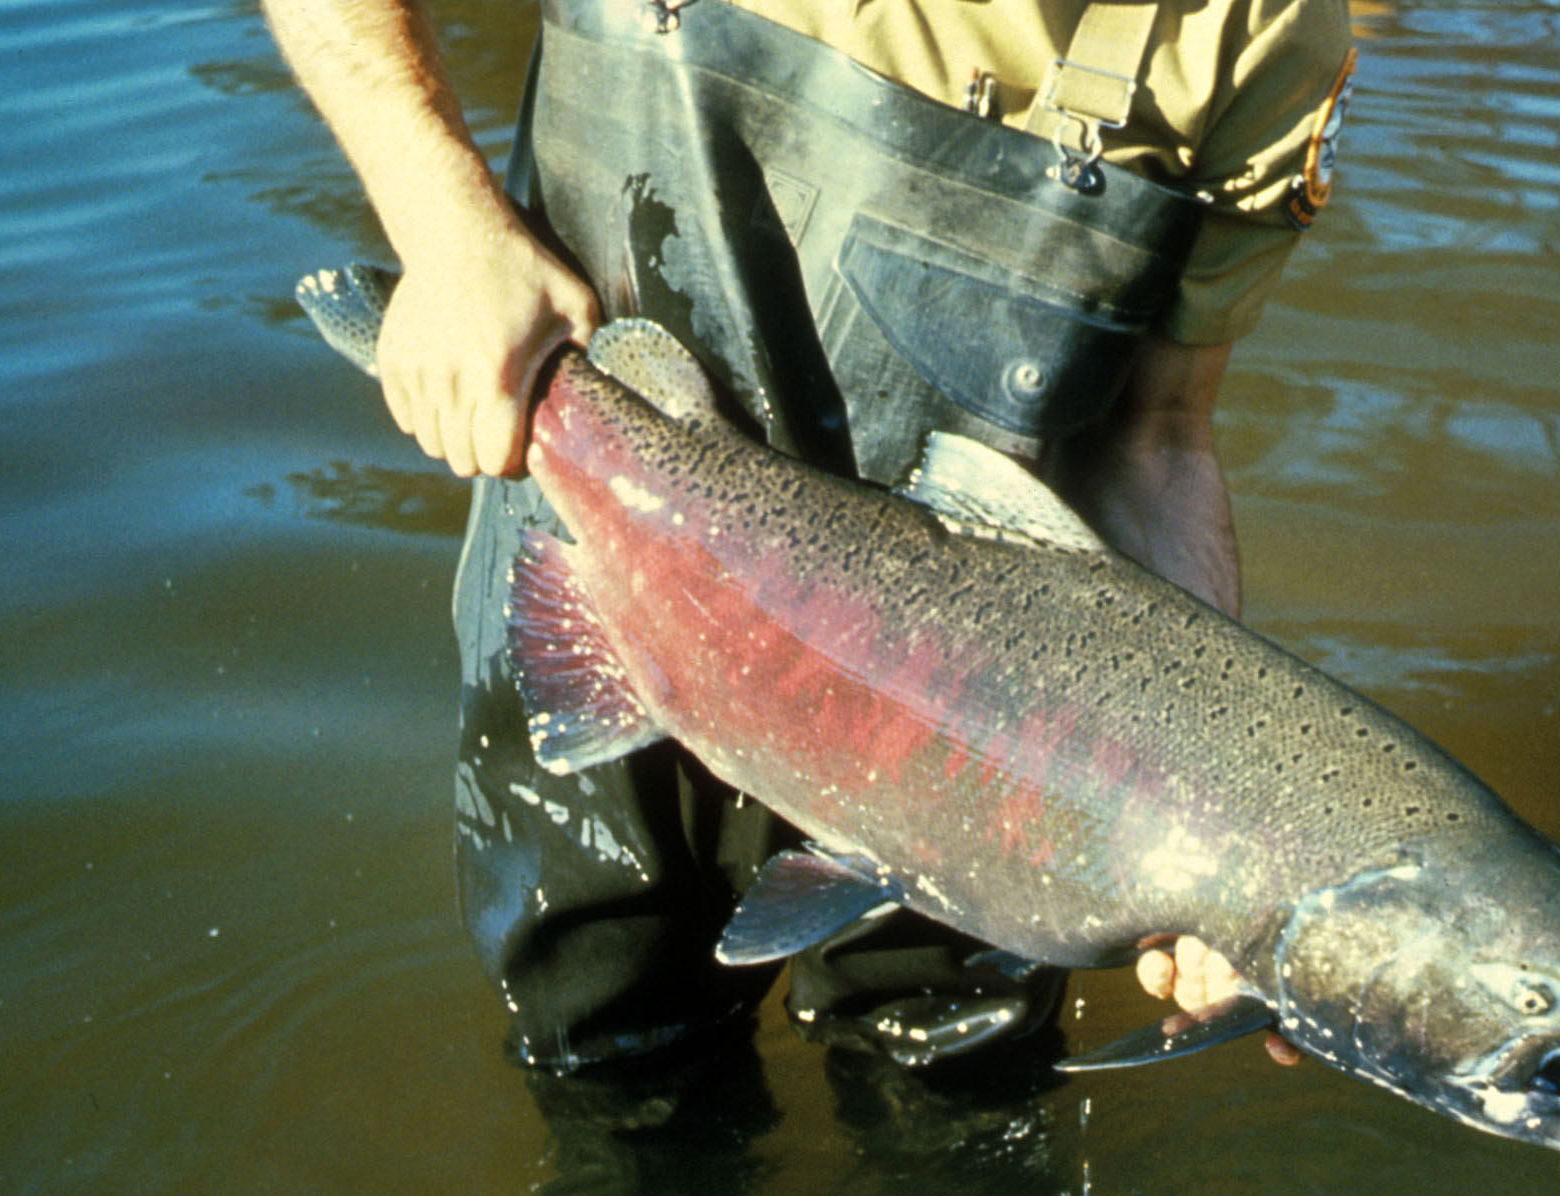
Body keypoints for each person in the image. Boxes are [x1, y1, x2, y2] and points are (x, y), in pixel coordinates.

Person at [264, 0, 1345, 1076]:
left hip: (977, 723)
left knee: (960, 1122)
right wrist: (440, 217)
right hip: (610, 535)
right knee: (613, 1060)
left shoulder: (1264, 26)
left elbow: (1154, 436)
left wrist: (1205, 834)